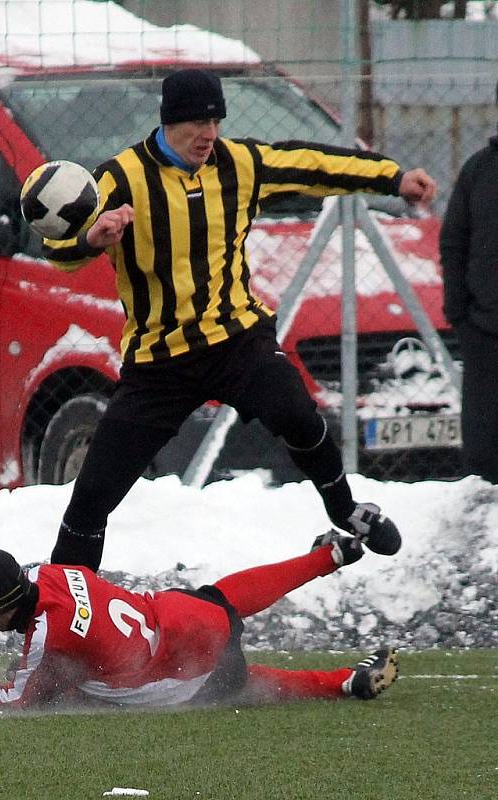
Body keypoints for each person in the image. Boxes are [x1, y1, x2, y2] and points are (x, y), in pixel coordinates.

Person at [43, 68, 438, 571]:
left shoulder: (239, 163)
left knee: (297, 412)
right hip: (158, 361)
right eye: (196, 125)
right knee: (93, 495)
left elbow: (312, 164)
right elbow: (58, 251)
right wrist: (91, 240)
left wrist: (394, 177)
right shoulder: (119, 178)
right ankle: (58, 614)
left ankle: (344, 505)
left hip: (236, 339)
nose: (208, 135)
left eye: (215, 123)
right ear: (169, 122)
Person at [0, 531, 398, 710]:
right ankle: (328, 556)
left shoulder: (46, 638)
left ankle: (342, 683)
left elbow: (12, 702)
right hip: (177, 617)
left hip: (175, 672)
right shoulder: (54, 572)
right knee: (224, 597)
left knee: (242, 684)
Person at [439, 93, 498, 484]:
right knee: (483, 460)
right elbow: (454, 240)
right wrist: (460, 314)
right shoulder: (480, 169)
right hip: (486, 331)